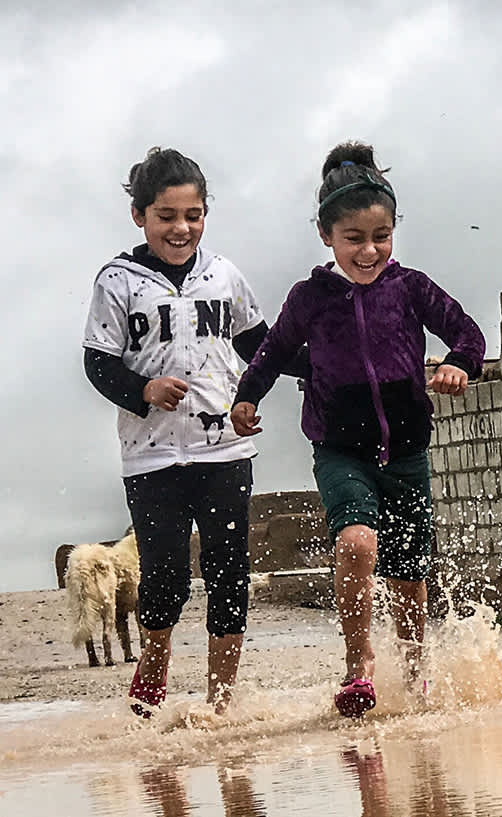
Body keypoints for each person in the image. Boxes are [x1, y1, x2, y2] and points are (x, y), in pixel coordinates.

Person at [231, 141, 486, 718]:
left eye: (382, 236)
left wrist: (456, 366)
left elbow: (468, 334)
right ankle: (359, 665)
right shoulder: (310, 298)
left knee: (408, 577)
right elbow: (270, 354)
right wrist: (246, 398)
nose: (369, 251)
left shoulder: (411, 288)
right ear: (326, 235)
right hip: (340, 449)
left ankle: (418, 678)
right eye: (354, 239)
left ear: (393, 230)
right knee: (356, 542)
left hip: (407, 452)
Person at [83, 147, 305, 717]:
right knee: (167, 575)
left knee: (230, 568)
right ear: (140, 216)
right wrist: (144, 391)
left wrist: (312, 372)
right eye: (166, 216)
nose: (181, 228)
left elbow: (262, 348)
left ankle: (220, 699)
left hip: (224, 448)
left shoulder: (224, 276)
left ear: (205, 214)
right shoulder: (118, 281)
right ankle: (154, 662)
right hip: (151, 456)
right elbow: (98, 363)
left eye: (194, 215)